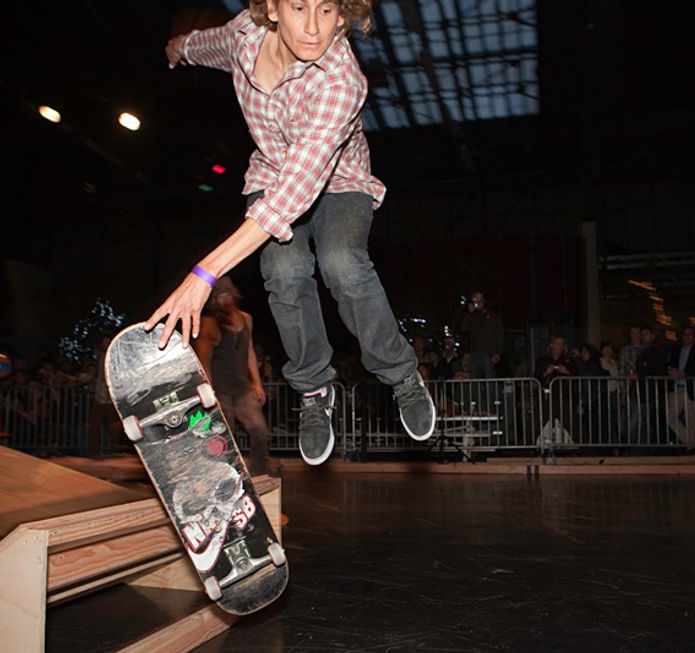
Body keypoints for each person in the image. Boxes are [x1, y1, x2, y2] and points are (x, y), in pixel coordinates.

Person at [148, 0, 436, 466]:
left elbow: (294, 194)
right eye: (299, 7)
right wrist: (180, 47)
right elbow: (209, 44)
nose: (312, 28)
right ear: (272, 9)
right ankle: (315, 390)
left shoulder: (341, 81)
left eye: (326, 11)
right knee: (284, 270)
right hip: (269, 173)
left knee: (342, 262)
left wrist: (204, 273)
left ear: (342, 16)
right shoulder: (244, 35)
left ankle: (401, 373)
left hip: (340, 180)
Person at [193, 277, 273, 477]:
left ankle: (260, 474)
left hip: (243, 388)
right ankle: (225, 476)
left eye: (227, 295)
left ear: (234, 295)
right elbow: (204, 361)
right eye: (219, 297)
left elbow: (250, 353)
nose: (224, 300)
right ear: (213, 301)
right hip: (221, 390)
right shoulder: (209, 324)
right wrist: (210, 394)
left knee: (259, 431)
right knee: (224, 436)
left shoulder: (246, 319)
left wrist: (257, 383)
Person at [664, 326, 695, 448]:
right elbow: (668, 365)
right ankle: (692, 444)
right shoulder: (676, 350)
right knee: (669, 417)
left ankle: (692, 448)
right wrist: (671, 371)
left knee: (692, 422)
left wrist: (684, 374)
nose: (686, 337)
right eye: (684, 334)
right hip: (676, 388)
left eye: (689, 335)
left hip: (691, 388)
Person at [458, 292, 504, 379]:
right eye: (475, 301)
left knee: (489, 379)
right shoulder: (472, 316)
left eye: (479, 301)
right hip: (474, 354)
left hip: (488, 354)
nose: (478, 304)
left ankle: (490, 393)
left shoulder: (493, 316)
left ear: (484, 301)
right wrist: (469, 313)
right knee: (474, 381)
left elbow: (500, 335)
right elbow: (463, 328)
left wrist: (498, 352)